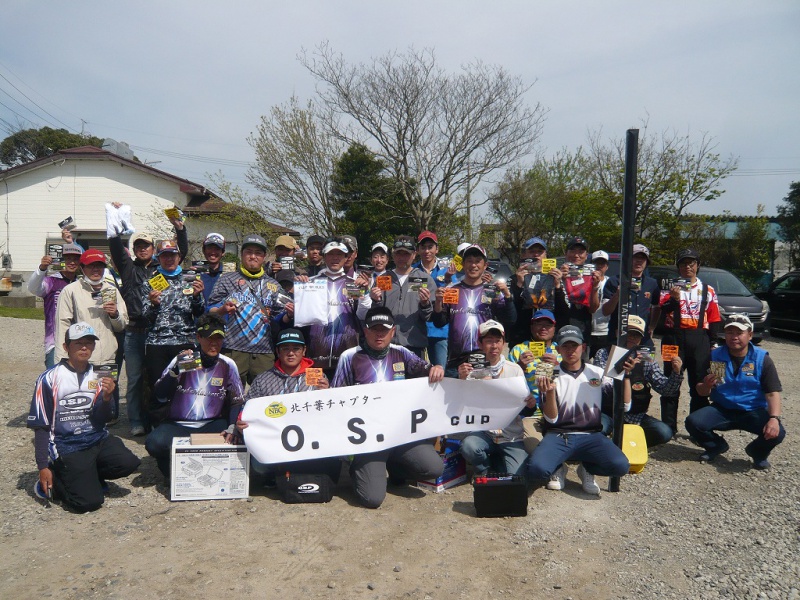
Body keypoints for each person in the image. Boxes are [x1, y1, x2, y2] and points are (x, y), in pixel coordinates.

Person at [331, 307, 445, 508]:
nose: (379, 334)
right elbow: (336, 397)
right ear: (365, 331)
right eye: (374, 329)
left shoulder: (402, 353)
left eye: (384, 330)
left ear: (393, 331)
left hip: (399, 433)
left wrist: (436, 368)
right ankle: (358, 468)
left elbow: (427, 371)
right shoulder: (349, 357)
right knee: (372, 499)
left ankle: (395, 466)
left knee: (434, 467)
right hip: (367, 438)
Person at [28, 322, 140, 512]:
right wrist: (42, 466)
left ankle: (88, 476)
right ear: (66, 347)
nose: (84, 347)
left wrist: (106, 398)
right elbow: (41, 425)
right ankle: (56, 479)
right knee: (88, 503)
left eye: (88, 343)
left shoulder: (100, 375)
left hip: (97, 438)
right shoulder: (48, 378)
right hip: (67, 445)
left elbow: (105, 418)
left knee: (129, 463)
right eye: (78, 343)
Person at [526, 325, 634, 495]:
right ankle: (558, 467)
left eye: (574, 346)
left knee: (621, 466)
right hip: (559, 434)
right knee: (537, 470)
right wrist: (550, 391)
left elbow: (625, 405)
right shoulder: (548, 373)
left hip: (591, 435)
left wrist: (626, 376)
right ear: (558, 348)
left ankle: (587, 469)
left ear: (583, 347)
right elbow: (551, 419)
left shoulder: (598, 373)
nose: (570, 351)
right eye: (565, 346)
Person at [235, 328, 341, 490]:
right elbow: (247, 411)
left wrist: (327, 395)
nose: (291, 353)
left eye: (296, 348)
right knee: (259, 466)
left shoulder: (317, 377)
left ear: (304, 350)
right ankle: (275, 476)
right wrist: (241, 424)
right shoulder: (262, 380)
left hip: (308, 440)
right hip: (275, 441)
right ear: (277, 351)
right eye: (285, 348)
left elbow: (330, 413)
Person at [145, 314, 244, 479]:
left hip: (212, 423)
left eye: (219, 338)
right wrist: (174, 371)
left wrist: (232, 427)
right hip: (178, 423)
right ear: (198, 337)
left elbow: (237, 400)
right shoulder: (183, 359)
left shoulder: (227, 364)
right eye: (208, 338)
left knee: (241, 438)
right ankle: (169, 467)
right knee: (154, 443)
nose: (214, 343)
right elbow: (159, 395)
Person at [685, 314, 785, 469]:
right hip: (722, 409)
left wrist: (774, 418)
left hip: (752, 410)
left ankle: (757, 453)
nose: (734, 337)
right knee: (693, 422)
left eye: (739, 333)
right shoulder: (715, 356)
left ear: (750, 335)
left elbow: (772, 392)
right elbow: (702, 392)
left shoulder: (761, 359)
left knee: (777, 432)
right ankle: (715, 446)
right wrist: (706, 385)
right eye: (730, 333)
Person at [658, 248, 722, 435]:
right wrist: (673, 300)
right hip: (672, 339)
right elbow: (662, 314)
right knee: (671, 383)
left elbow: (715, 318)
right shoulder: (669, 288)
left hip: (699, 338)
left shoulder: (708, 289)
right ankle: (668, 428)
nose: (688, 266)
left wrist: (713, 343)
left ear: (698, 266)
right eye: (684, 263)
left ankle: (697, 428)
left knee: (700, 383)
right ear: (678, 267)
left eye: (691, 263)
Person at [207, 234, 286, 385]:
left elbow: (281, 316)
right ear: (242, 255)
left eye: (258, 253)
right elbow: (210, 309)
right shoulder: (227, 279)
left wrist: (289, 313)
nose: (253, 256)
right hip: (233, 349)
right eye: (249, 252)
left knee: (264, 399)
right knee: (229, 396)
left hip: (264, 352)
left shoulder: (274, 285)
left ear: (264, 257)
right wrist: (222, 310)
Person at [593, 315, 682, 448]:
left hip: (636, 416)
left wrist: (676, 372)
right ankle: (610, 443)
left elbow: (665, 389)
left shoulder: (646, 358)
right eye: (628, 333)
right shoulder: (604, 354)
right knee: (598, 429)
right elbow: (601, 386)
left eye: (636, 335)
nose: (631, 337)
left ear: (641, 339)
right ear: (618, 332)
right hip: (608, 412)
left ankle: (629, 443)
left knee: (664, 432)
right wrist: (623, 372)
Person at [458, 320, 533, 476]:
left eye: (498, 341)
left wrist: (530, 404)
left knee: (517, 477)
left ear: (504, 343)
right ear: (479, 343)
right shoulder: (469, 369)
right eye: (489, 341)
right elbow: (461, 406)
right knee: (469, 447)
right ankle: (483, 470)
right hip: (484, 432)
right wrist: (461, 381)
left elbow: (526, 407)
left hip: (511, 436)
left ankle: (499, 460)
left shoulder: (515, 369)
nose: (494, 346)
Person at [432, 244, 516, 378]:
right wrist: (437, 302)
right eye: (469, 261)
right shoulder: (452, 290)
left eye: (478, 261)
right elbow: (439, 323)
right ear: (463, 264)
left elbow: (510, 320)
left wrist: (507, 295)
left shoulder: (492, 292)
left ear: (485, 265)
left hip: (485, 359)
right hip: (456, 361)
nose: (473, 265)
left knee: (484, 398)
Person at [299, 237, 371, 378]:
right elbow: (302, 320)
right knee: (316, 396)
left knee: (346, 397)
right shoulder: (311, 283)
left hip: (347, 355)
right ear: (324, 256)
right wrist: (299, 291)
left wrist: (366, 293)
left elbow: (363, 315)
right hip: (315, 356)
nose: (335, 258)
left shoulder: (353, 284)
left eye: (339, 254)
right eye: (331, 254)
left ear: (346, 257)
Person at [141, 240, 205, 393]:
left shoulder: (191, 279)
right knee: (158, 387)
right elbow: (145, 317)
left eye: (173, 255)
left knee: (188, 387)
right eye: (165, 256)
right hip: (157, 344)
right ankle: (159, 417)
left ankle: (187, 417)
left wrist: (197, 297)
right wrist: (154, 305)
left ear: (179, 257)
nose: (169, 259)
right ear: (158, 258)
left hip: (186, 343)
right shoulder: (149, 283)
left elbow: (199, 312)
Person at [55, 249, 128, 370]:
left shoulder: (112, 290)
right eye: (91, 266)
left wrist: (115, 315)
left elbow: (121, 325)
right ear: (82, 268)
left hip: (107, 358)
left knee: (107, 389)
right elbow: (62, 326)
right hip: (81, 359)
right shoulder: (70, 291)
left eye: (99, 266)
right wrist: (61, 360)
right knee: (84, 389)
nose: (96, 269)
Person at [366, 235, 435, 357]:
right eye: (398, 254)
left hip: (414, 345)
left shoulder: (424, 279)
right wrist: (376, 301)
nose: (402, 258)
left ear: (414, 254)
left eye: (406, 254)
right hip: (387, 345)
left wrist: (425, 304)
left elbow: (430, 317)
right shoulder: (383, 279)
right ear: (392, 255)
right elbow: (376, 314)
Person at [28, 242, 84, 368]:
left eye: (75, 259)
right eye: (68, 259)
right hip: (55, 342)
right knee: (54, 382)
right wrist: (42, 268)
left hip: (80, 341)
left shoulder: (82, 284)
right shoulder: (51, 281)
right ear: (61, 260)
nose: (72, 262)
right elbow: (33, 288)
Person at [602, 244, 661, 347]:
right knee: (616, 362)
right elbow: (605, 311)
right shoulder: (614, 281)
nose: (639, 261)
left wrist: (652, 326)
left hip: (642, 336)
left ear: (647, 262)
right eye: (635, 257)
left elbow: (656, 306)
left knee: (646, 362)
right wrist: (617, 295)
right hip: (618, 335)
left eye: (642, 258)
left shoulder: (652, 283)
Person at [554, 237, 602, 345]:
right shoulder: (556, 272)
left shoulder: (591, 274)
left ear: (586, 255)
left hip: (582, 328)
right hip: (559, 327)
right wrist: (560, 279)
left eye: (581, 252)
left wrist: (595, 286)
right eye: (572, 251)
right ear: (566, 253)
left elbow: (593, 309)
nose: (576, 255)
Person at [413, 231, 450, 367]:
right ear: (418, 250)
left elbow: (454, 296)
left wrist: (449, 279)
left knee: (440, 372)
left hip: (439, 330)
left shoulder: (447, 269)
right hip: (416, 328)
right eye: (423, 247)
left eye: (430, 247)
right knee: (416, 373)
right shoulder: (412, 270)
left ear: (437, 249)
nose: (427, 251)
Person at [508, 309, 561, 400]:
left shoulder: (561, 350)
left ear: (554, 329)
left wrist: (558, 366)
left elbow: (570, 380)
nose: (543, 328)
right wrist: (519, 367)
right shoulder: (518, 349)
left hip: (555, 406)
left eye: (548, 325)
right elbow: (506, 380)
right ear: (532, 327)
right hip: (526, 406)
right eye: (539, 324)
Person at [509, 236, 549, 346]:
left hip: (547, 340)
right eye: (531, 252)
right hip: (520, 340)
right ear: (524, 255)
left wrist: (558, 285)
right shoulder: (513, 279)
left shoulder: (552, 279)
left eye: (540, 252)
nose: (536, 255)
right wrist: (519, 285)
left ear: (545, 256)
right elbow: (510, 312)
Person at [588, 250, 612, 358]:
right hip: (588, 330)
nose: (599, 266)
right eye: (596, 263)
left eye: (602, 263)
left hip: (605, 331)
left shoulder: (612, 282)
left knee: (602, 366)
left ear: (607, 267)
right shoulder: (584, 281)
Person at [199, 232, 226, 304]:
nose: (213, 252)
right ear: (203, 251)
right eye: (209, 248)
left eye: (217, 249)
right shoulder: (197, 274)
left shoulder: (230, 275)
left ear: (223, 252)